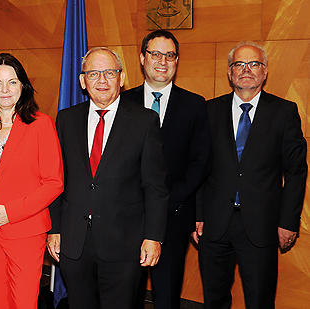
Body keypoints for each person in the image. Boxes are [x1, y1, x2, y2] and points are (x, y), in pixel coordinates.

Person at [48, 47, 169, 309]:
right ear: (82, 80)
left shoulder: (145, 121)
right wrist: (54, 228)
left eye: (109, 72)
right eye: (93, 73)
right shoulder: (66, 119)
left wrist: (154, 236)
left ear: (122, 77)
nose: (101, 80)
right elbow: (56, 180)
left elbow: (155, 187)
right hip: (74, 242)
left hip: (124, 243)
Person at [193, 41, 306, 309]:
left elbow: (296, 171)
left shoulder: (284, 112)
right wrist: (197, 215)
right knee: (214, 299)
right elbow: (197, 167)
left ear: (264, 71)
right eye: (239, 64)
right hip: (214, 224)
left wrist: (288, 222)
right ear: (230, 72)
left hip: (262, 225)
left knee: (260, 300)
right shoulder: (208, 111)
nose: (246, 69)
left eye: (254, 63)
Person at [0, 52, 64, 309]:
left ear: (23, 86)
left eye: (12, 82)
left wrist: (10, 213)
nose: (5, 89)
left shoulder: (41, 124)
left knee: (23, 302)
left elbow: (54, 182)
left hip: (25, 232)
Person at [122, 30, 212, 309]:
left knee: (167, 297)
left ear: (177, 61)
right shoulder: (123, 102)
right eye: (156, 54)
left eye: (170, 55)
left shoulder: (194, 104)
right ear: (142, 58)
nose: (163, 61)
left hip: (174, 216)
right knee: (126, 296)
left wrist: (168, 202)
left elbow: (201, 162)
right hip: (127, 218)